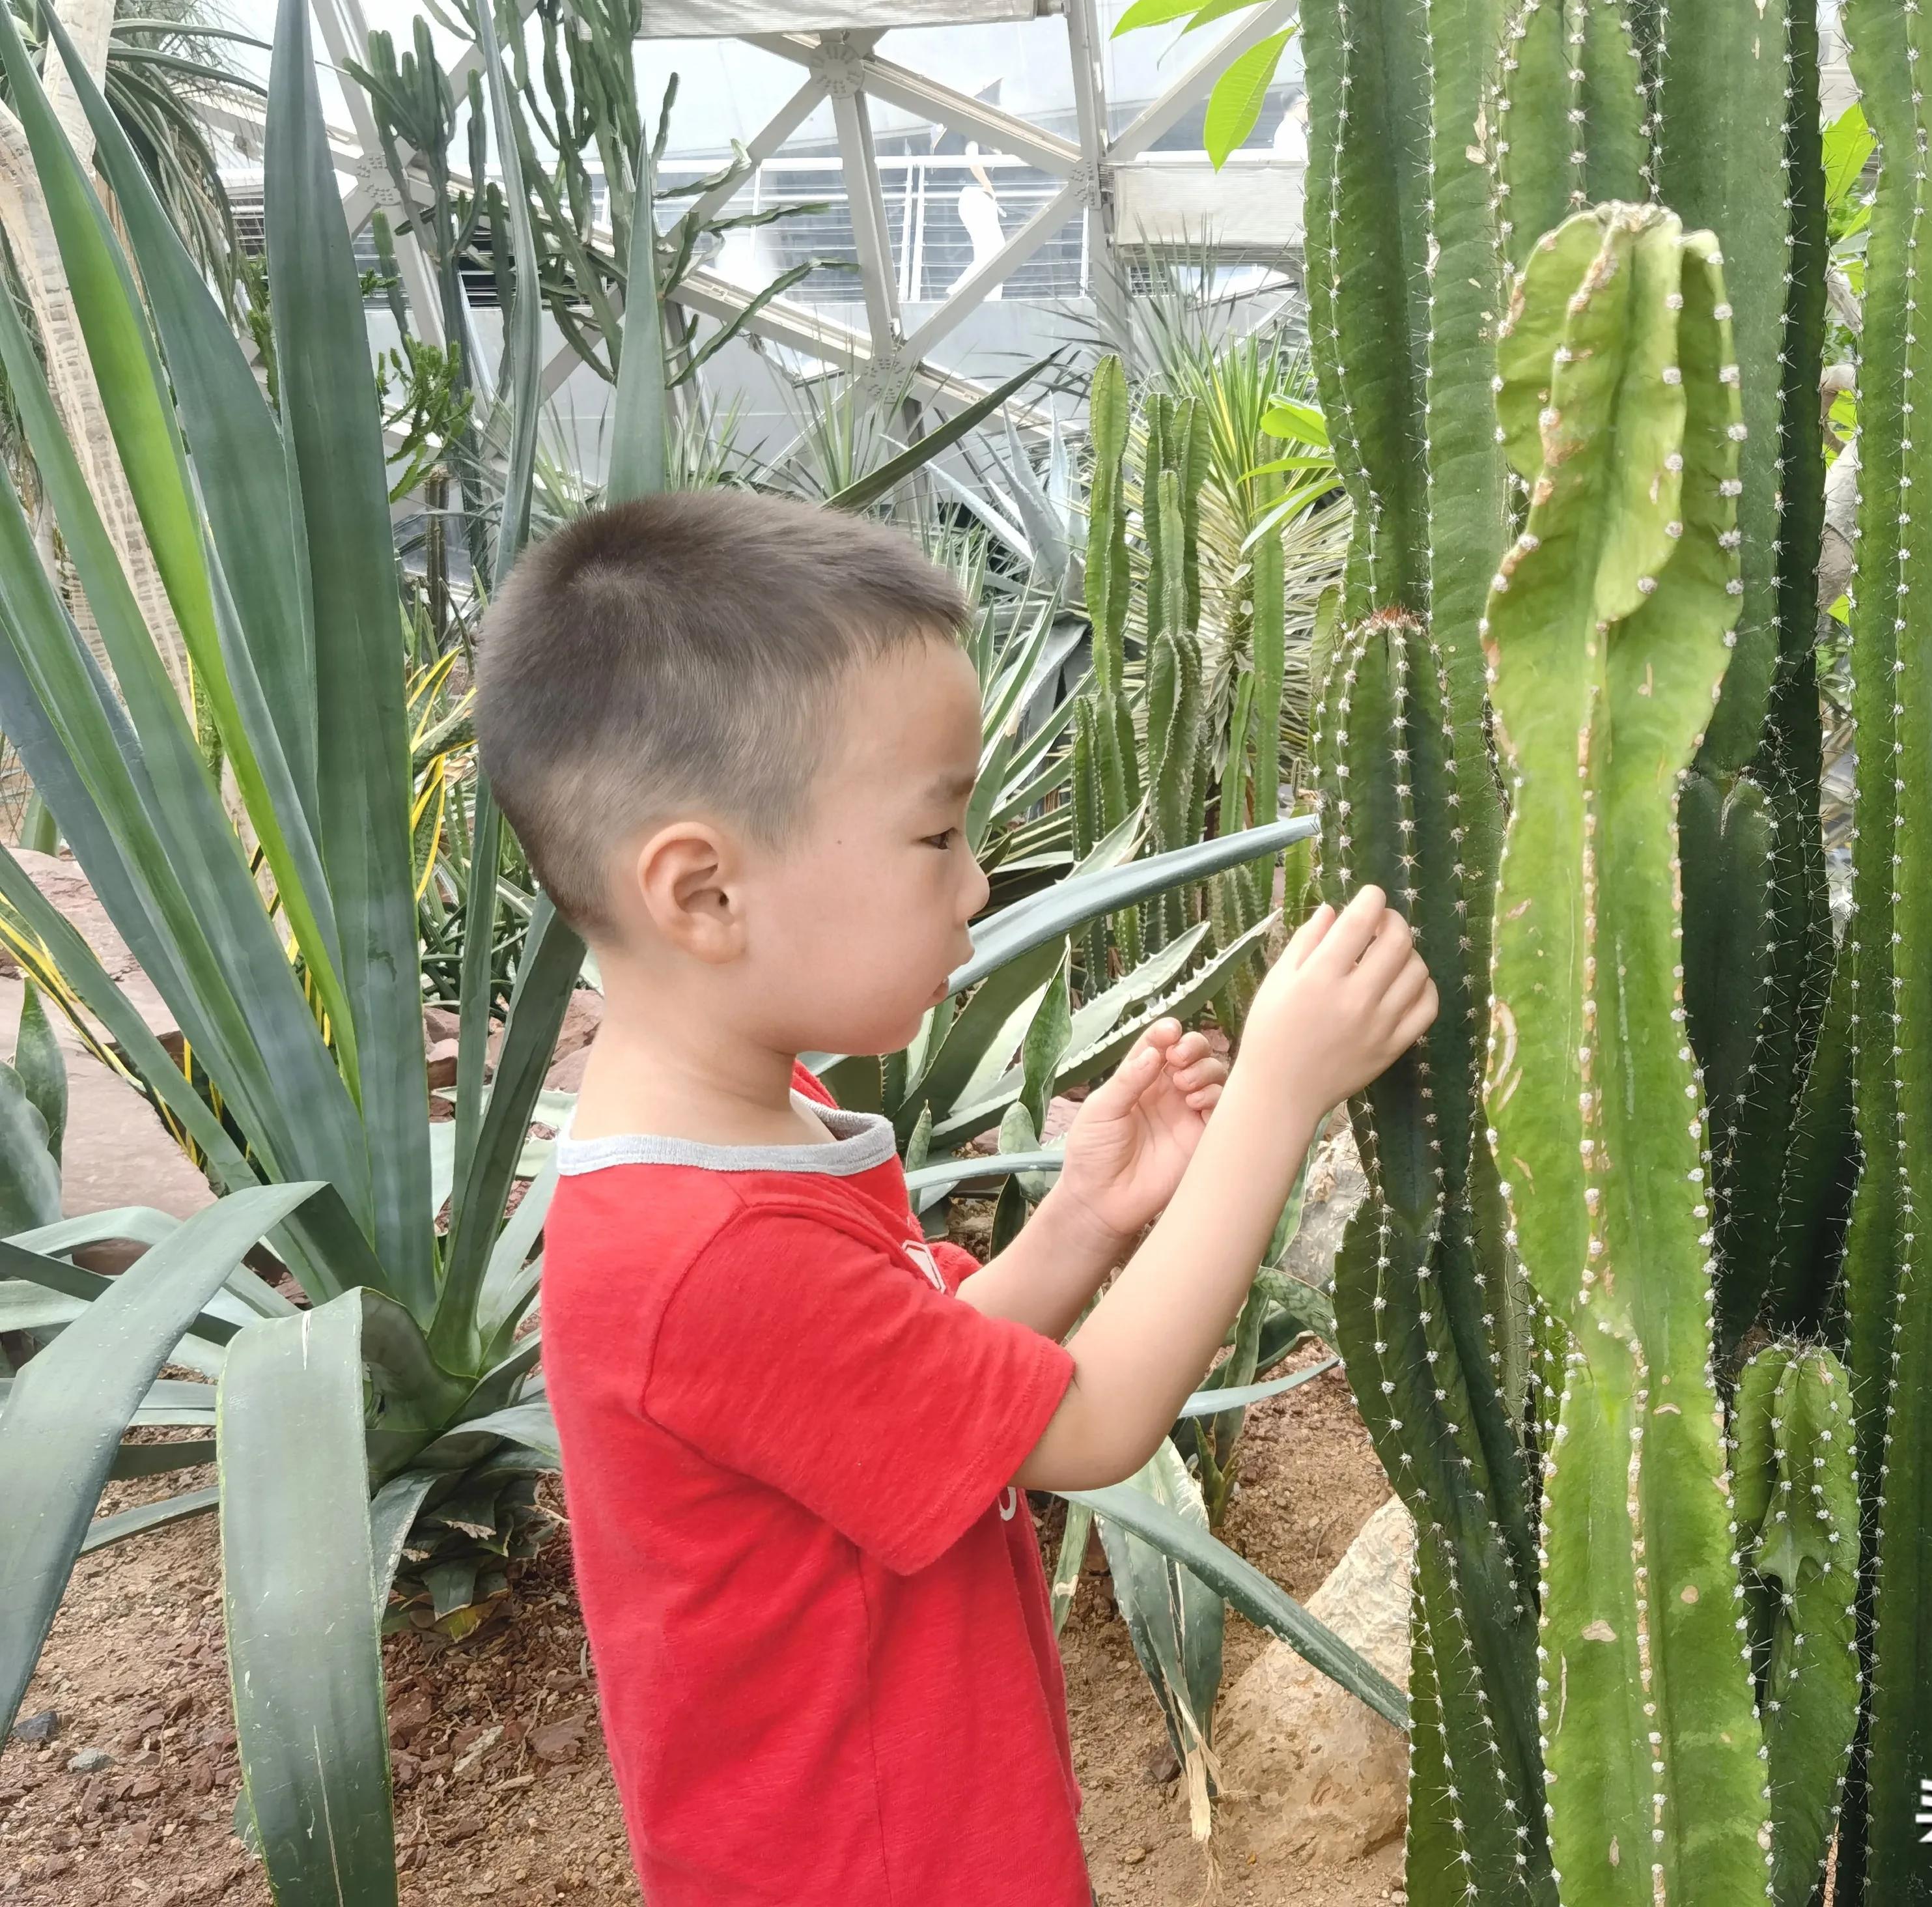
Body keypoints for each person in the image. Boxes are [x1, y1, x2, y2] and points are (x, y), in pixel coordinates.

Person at [472, 488, 1435, 1905]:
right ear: (702, 893)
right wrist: (1278, 1100)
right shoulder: (708, 1256)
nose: (977, 884)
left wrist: (1085, 1219)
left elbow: (926, 1390)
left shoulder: (746, 1137)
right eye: (936, 836)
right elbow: (1086, 1428)